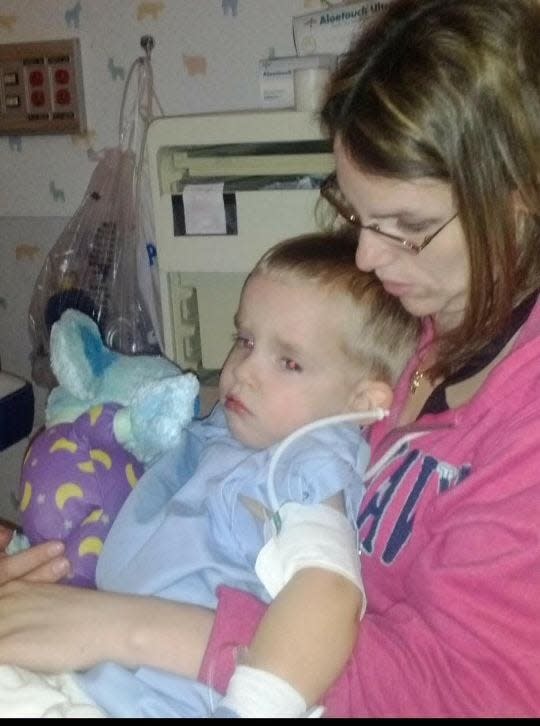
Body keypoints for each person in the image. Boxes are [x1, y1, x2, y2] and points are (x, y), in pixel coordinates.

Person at [191, 0, 540, 716]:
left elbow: (461, 694)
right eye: (354, 212)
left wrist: (137, 626)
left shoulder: (523, 424)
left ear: (520, 203)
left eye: (406, 228)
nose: (367, 257)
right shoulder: (426, 317)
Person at [0, 230, 418, 717]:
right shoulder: (238, 427)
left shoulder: (308, 459)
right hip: (99, 669)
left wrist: (254, 706)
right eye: (245, 339)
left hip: (159, 701)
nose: (243, 371)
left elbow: (328, 593)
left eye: (289, 361)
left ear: (360, 403)